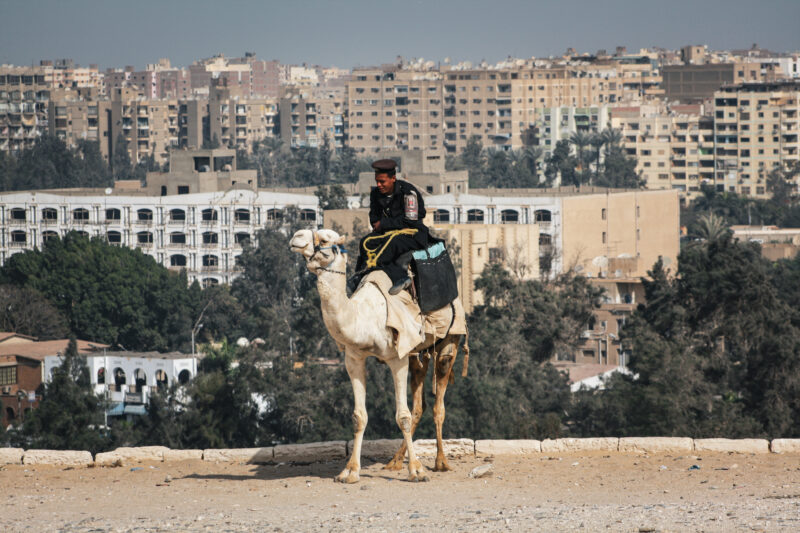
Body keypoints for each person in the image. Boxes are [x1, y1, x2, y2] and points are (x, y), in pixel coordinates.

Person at [349, 159, 429, 295]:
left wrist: (385, 224)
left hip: (413, 234)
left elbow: (411, 220)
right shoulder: (375, 194)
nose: (379, 185)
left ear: (393, 178)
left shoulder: (408, 193)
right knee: (365, 242)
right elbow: (374, 218)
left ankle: (393, 276)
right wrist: (381, 225)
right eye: (377, 181)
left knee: (392, 244)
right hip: (387, 233)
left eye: (382, 182)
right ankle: (361, 273)